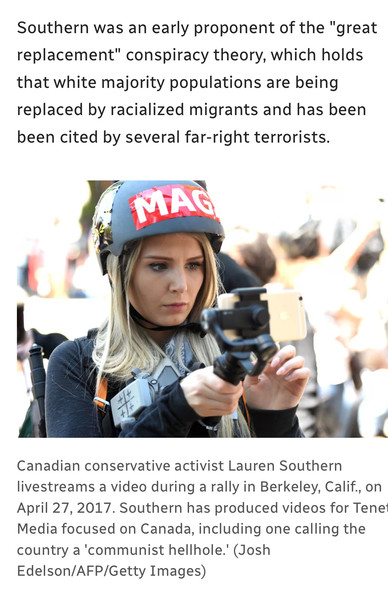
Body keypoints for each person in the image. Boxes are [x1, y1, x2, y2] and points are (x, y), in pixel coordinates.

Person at [46, 181, 310, 438]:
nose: (181, 285)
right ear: (118, 272)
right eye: (159, 265)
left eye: (194, 265)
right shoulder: (78, 363)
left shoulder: (235, 352)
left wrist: (276, 420)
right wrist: (177, 409)